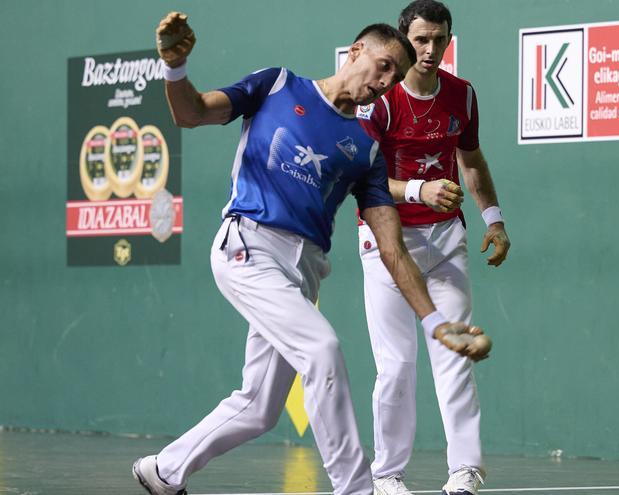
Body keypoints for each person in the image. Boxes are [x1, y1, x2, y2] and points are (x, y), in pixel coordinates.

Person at [133, 12, 484, 495]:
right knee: (322, 351)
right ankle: (356, 489)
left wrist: (434, 322)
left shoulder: (365, 150)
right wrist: (175, 68)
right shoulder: (278, 86)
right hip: (249, 247)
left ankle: (164, 470)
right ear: (355, 51)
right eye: (381, 66)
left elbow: (392, 249)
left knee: (259, 405)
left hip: (303, 274)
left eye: (392, 79)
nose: (383, 84)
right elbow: (191, 112)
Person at [356, 2, 510, 494]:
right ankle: (387, 475)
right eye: (420, 40)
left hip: (446, 244)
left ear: (448, 40)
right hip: (387, 244)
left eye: (439, 39)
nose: (429, 50)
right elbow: (367, 178)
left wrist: (494, 219)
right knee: (396, 366)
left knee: (456, 356)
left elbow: (472, 159)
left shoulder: (462, 96)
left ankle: (465, 471)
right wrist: (420, 189)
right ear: (404, 41)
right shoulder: (381, 99)